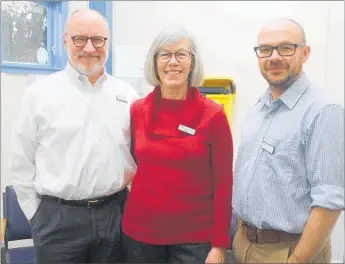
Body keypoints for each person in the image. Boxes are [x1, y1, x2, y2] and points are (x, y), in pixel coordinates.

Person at [10, 9, 139, 263]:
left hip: (115, 215)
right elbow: (20, 162)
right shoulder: (40, 95)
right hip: (58, 220)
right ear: (65, 40)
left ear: (107, 43)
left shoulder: (127, 96)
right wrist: (35, 214)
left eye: (98, 40)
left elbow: (139, 154)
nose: (89, 48)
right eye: (80, 39)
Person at [232, 18, 344, 263]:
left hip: (288, 252)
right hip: (243, 243)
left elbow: (330, 200)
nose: (274, 57)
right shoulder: (259, 107)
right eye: (265, 49)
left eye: (285, 48)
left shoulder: (324, 110)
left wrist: (296, 260)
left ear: (305, 53)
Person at [121, 26, 234, 263]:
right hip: (140, 237)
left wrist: (219, 246)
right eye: (165, 54)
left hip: (194, 241)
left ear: (192, 62)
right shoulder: (136, 111)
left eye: (181, 54)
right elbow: (130, 165)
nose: (173, 62)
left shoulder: (214, 115)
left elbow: (224, 185)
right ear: (155, 62)